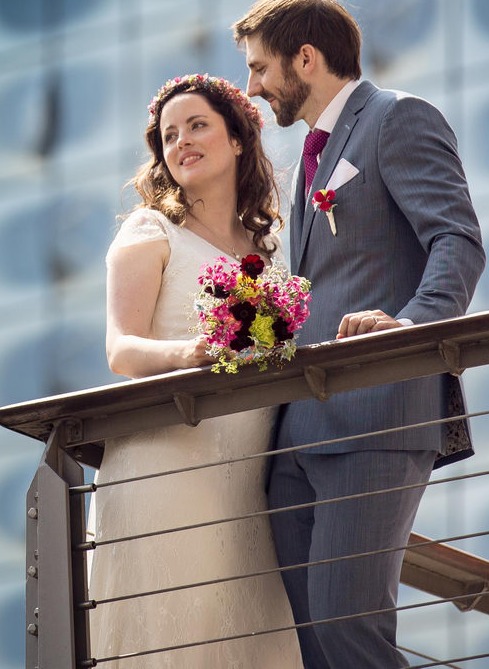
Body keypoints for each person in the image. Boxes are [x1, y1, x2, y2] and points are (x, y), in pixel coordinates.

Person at [234, 0, 484, 669]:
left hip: (378, 413)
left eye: (260, 67)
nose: (251, 87)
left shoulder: (398, 119)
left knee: (350, 628)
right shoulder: (310, 157)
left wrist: (407, 329)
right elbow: (326, 284)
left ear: (305, 58)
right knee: (313, 646)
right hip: (298, 437)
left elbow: (457, 242)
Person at [90, 73, 303, 667]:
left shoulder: (275, 254)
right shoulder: (149, 230)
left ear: (237, 140)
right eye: (168, 135)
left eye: (197, 126)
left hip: (251, 479)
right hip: (166, 465)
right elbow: (122, 350)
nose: (180, 141)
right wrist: (192, 356)